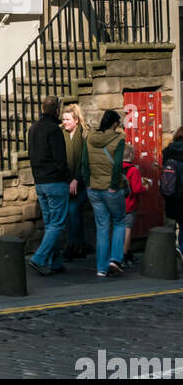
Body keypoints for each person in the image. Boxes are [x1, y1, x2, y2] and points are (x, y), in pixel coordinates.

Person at [26, 96, 71, 276]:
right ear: (57, 111)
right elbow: (60, 159)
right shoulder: (54, 130)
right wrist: (68, 177)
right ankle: (39, 258)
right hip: (55, 182)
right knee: (57, 224)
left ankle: (55, 262)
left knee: (50, 223)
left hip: (40, 182)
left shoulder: (33, 129)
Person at [82, 108, 128, 278]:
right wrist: (114, 185)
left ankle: (101, 269)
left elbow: (84, 163)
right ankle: (115, 259)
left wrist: (88, 184)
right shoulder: (118, 139)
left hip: (93, 188)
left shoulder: (90, 138)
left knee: (102, 227)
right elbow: (117, 166)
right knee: (120, 221)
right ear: (114, 123)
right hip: (111, 189)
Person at [62, 103, 90, 260]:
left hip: (83, 182)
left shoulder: (84, 135)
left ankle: (71, 247)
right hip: (67, 181)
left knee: (73, 211)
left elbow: (83, 160)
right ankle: (80, 246)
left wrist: (76, 179)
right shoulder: (62, 134)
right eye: (63, 119)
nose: (65, 122)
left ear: (76, 120)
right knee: (75, 213)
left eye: (67, 119)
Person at [120, 143, 145, 268]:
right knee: (127, 230)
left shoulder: (116, 167)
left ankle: (121, 253)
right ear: (131, 154)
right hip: (129, 204)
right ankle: (124, 255)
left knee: (117, 229)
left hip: (117, 203)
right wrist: (146, 187)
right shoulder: (133, 170)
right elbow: (136, 189)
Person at [161, 126, 183, 259]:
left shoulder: (169, 151)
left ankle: (178, 249)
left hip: (172, 195)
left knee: (179, 222)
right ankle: (181, 248)